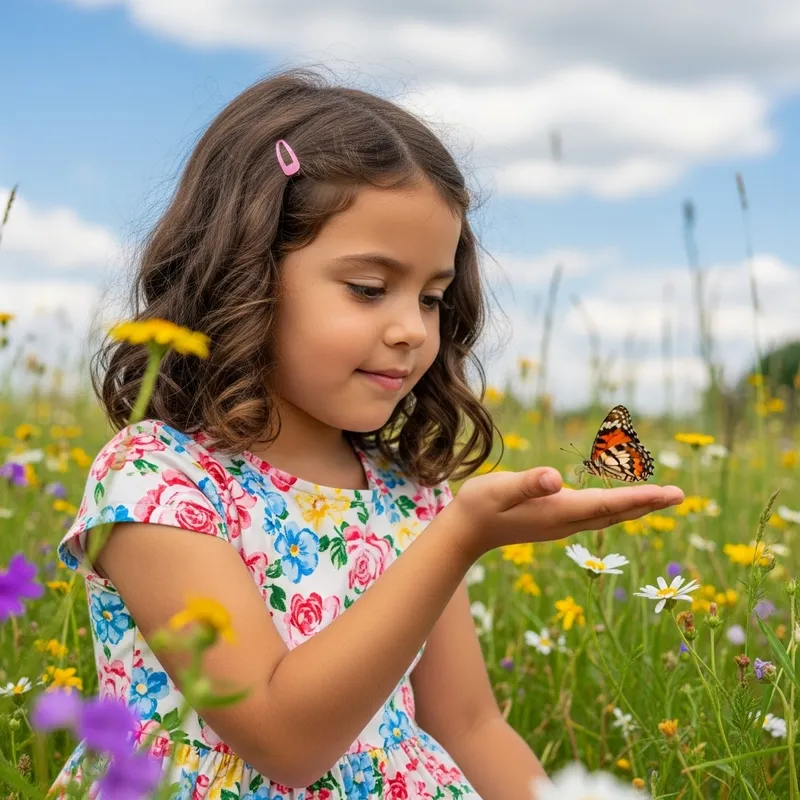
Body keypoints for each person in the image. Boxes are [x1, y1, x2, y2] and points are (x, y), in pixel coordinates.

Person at [54, 66, 684, 799]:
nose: (411, 330)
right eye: (369, 289)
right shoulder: (158, 478)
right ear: (245, 271)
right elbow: (284, 743)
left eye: (432, 297)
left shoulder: (407, 494)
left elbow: (469, 723)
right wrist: (459, 538)